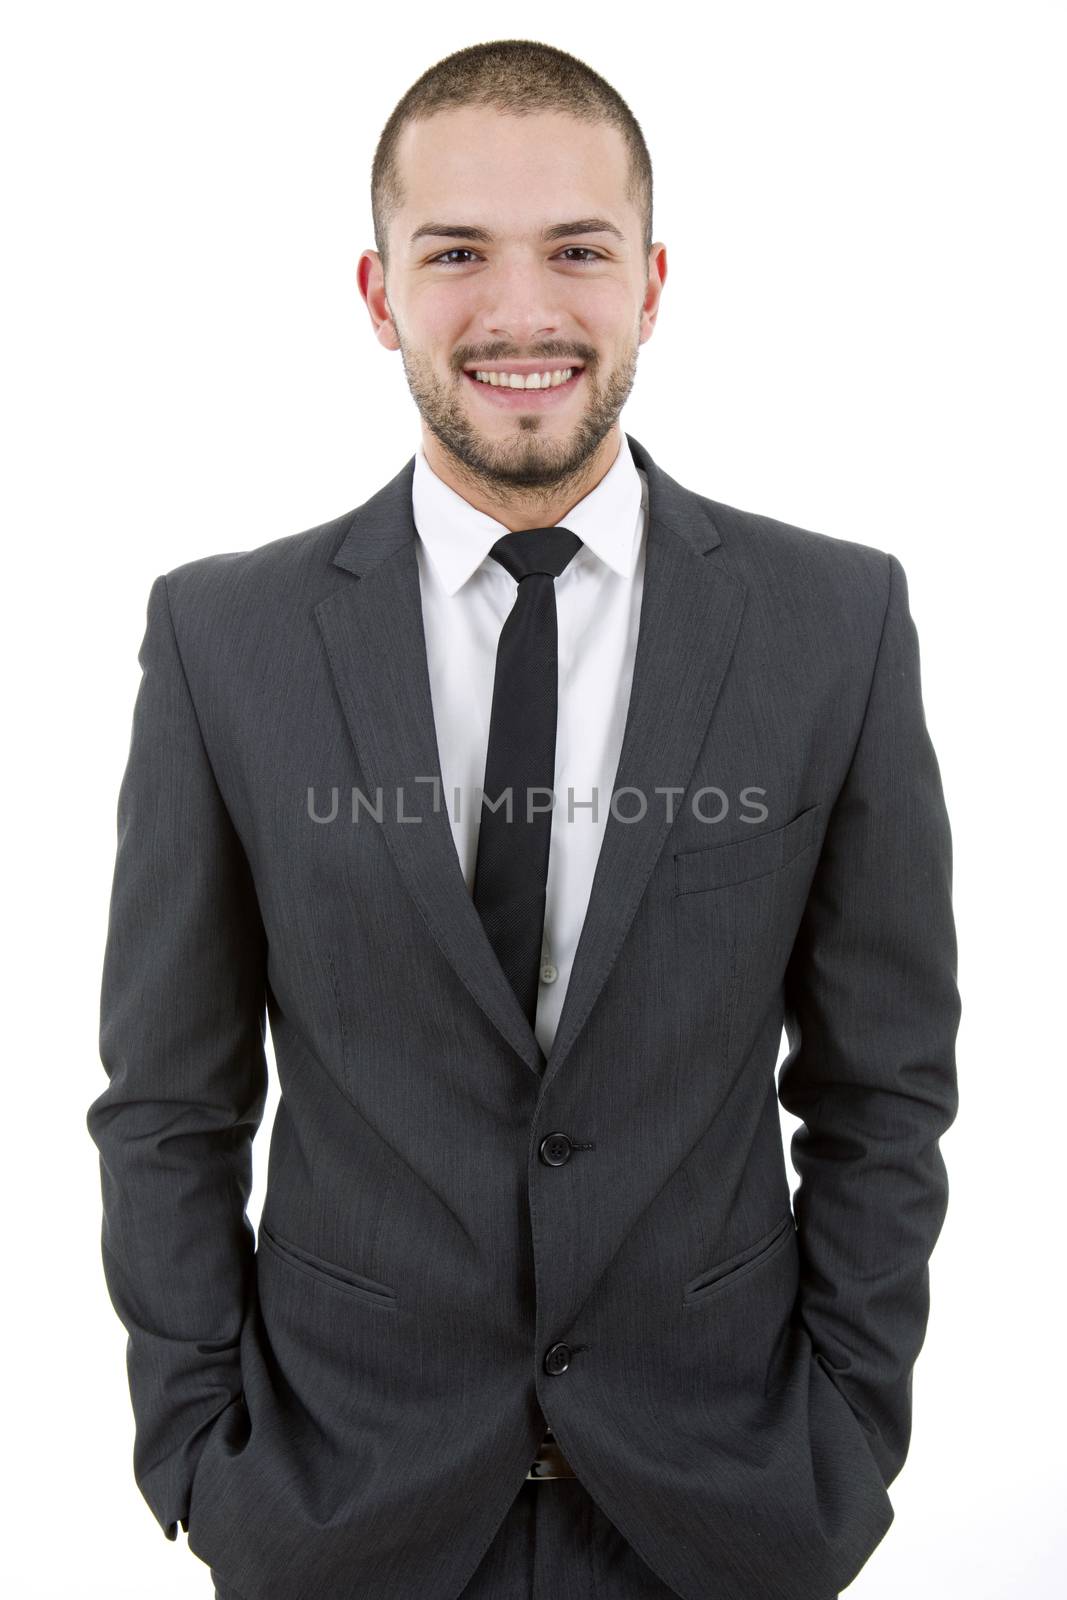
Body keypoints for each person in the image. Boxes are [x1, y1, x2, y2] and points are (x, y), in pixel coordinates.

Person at [87, 37, 960, 1600]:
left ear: (651, 280)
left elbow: (884, 1089)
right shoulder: (227, 641)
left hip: (724, 1511)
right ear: (376, 294)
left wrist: (847, 1436)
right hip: (340, 1512)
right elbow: (168, 1102)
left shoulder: (836, 623)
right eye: (456, 255)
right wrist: (197, 1454)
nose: (524, 314)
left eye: (577, 251)